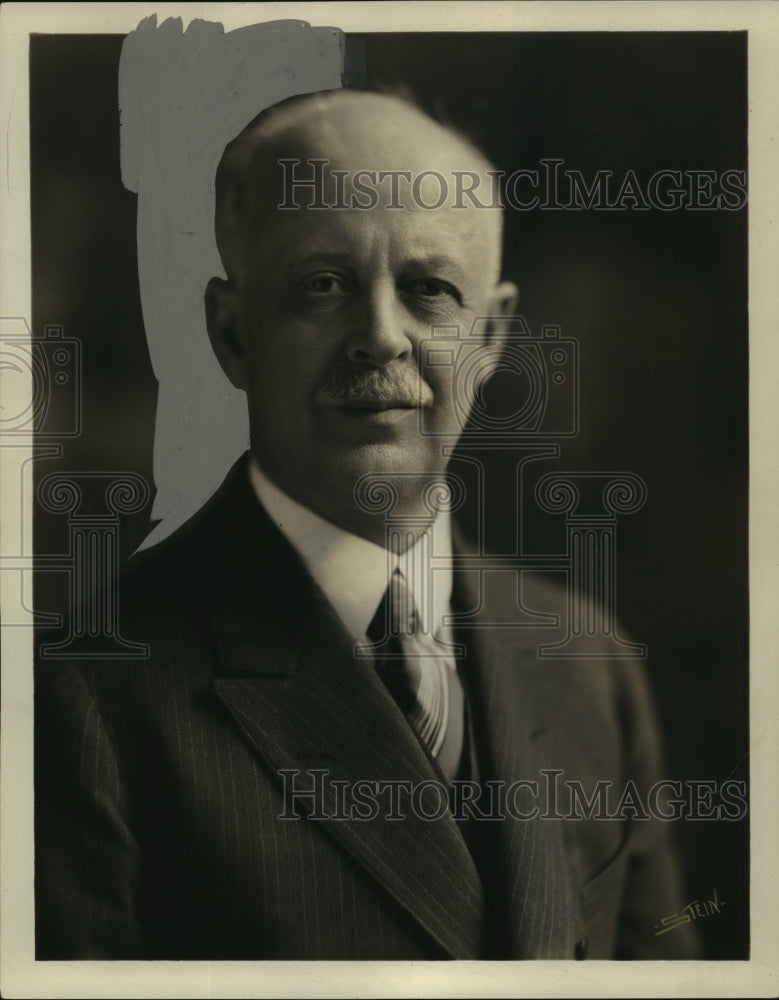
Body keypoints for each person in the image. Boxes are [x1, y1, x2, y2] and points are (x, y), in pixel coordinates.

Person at [34, 88, 699, 960]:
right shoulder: (85, 700)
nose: (379, 338)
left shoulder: (588, 663)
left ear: (491, 333)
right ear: (233, 334)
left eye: (428, 289)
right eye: (322, 286)